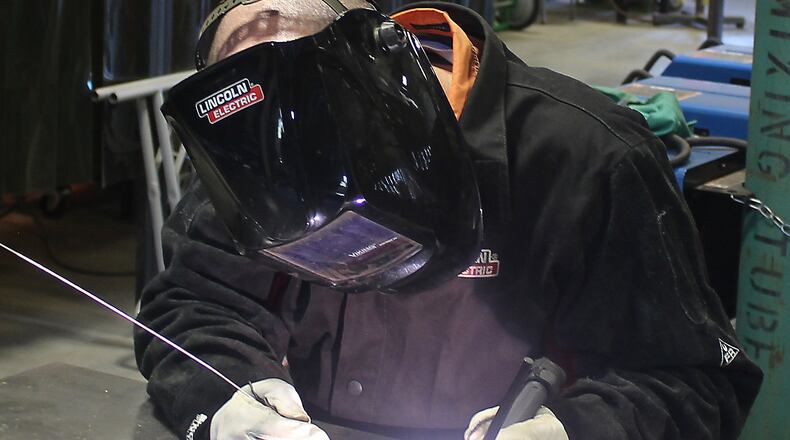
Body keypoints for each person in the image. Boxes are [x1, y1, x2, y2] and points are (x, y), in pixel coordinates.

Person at [134, 1, 762, 439]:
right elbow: (195, 306)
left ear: (384, 85)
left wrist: (572, 430)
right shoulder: (251, 168)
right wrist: (231, 401)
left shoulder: (589, 160)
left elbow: (700, 383)